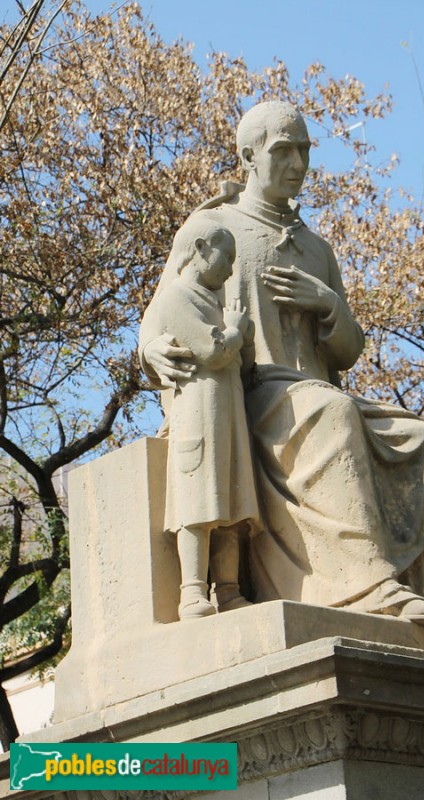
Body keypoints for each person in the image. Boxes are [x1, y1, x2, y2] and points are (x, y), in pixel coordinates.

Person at [139, 101, 424, 627]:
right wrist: (151, 350)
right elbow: (161, 312)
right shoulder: (212, 228)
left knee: (423, 437)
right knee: (333, 413)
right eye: (283, 151)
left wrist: (328, 305)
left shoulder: (317, 249)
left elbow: (348, 353)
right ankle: (369, 584)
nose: (298, 164)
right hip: (253, 393)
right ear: (249, 156)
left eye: (304, 151)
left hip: (315, 392)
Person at [151, 216, 259, 619]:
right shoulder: (177, 298)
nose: (230, 268)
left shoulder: (217, 303)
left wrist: (243, 336)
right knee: (196, 504)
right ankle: (192, 590)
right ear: (199, 249)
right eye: (225, 257)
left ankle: (228, 589)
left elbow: (243, 365)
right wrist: (235, 331)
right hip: (197, 413)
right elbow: (213, 352)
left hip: (229, 416)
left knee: (229, 505)